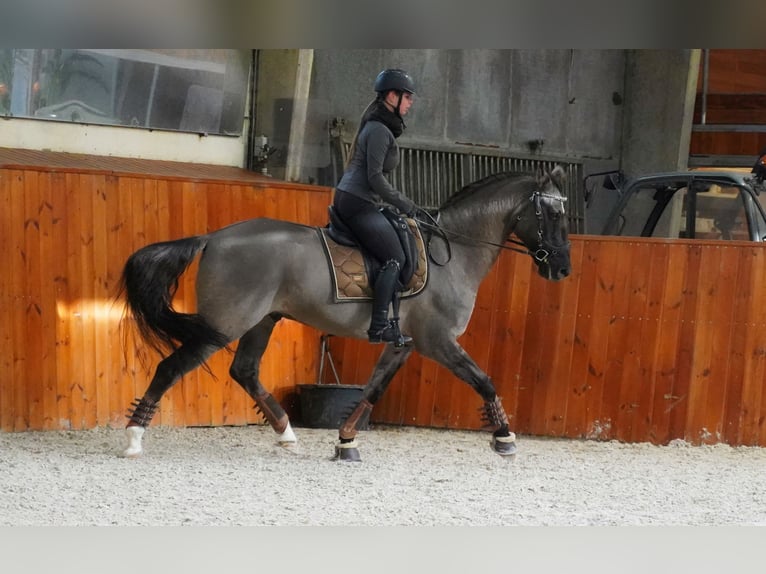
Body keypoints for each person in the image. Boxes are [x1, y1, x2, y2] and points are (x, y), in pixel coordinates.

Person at [333, 68, 420, 346]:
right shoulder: (379, 130)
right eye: (407, 97)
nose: (410, 102)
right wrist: (404, 202)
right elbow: (375, 178)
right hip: (357, 202)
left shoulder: (379, 126)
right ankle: (379, 326)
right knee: (395, 258)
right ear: (391, 96)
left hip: (359, 199)